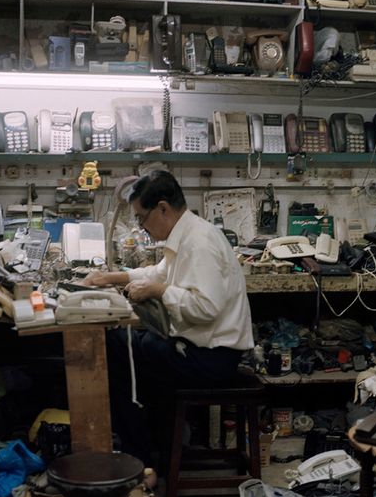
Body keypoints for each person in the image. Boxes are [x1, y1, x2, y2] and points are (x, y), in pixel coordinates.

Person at [83, 171, 254, 465]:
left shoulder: (198, 242)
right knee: (134, 344)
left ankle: (138, 457)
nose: (141, 226)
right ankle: (153, 449)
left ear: (163, 208)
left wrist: (159, 291)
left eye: (141, 217)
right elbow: (159, 272)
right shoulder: (187, 234)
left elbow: (204, 308)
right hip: (203, 350)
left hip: (213, 359)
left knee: (116, 345)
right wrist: (108, 277)